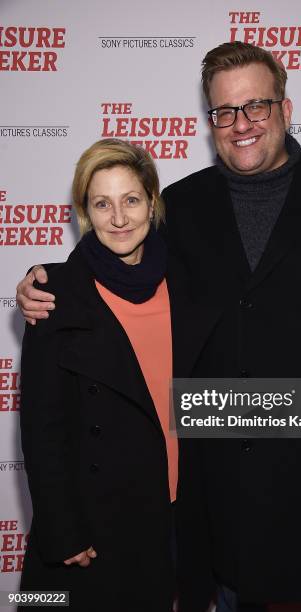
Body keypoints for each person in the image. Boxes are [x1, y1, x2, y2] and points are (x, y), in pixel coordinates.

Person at [17, 42, 301, 612]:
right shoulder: (181, 206)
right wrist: (41, 282)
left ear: (286, 108)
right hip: (222, 501)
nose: (240, 124)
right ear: (211, 121)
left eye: (256, 106)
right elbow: (115, 253)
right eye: (224, 112)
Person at [18, 139, 177, 611]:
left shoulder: (185, 282)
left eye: (130, 200)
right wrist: (61, 528)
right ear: (85, 212)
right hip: (93, 519)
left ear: (152, 201)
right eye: (102, 204)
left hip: (169, 511)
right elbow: (42, 428)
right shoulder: (55, 293)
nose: (119, 218)